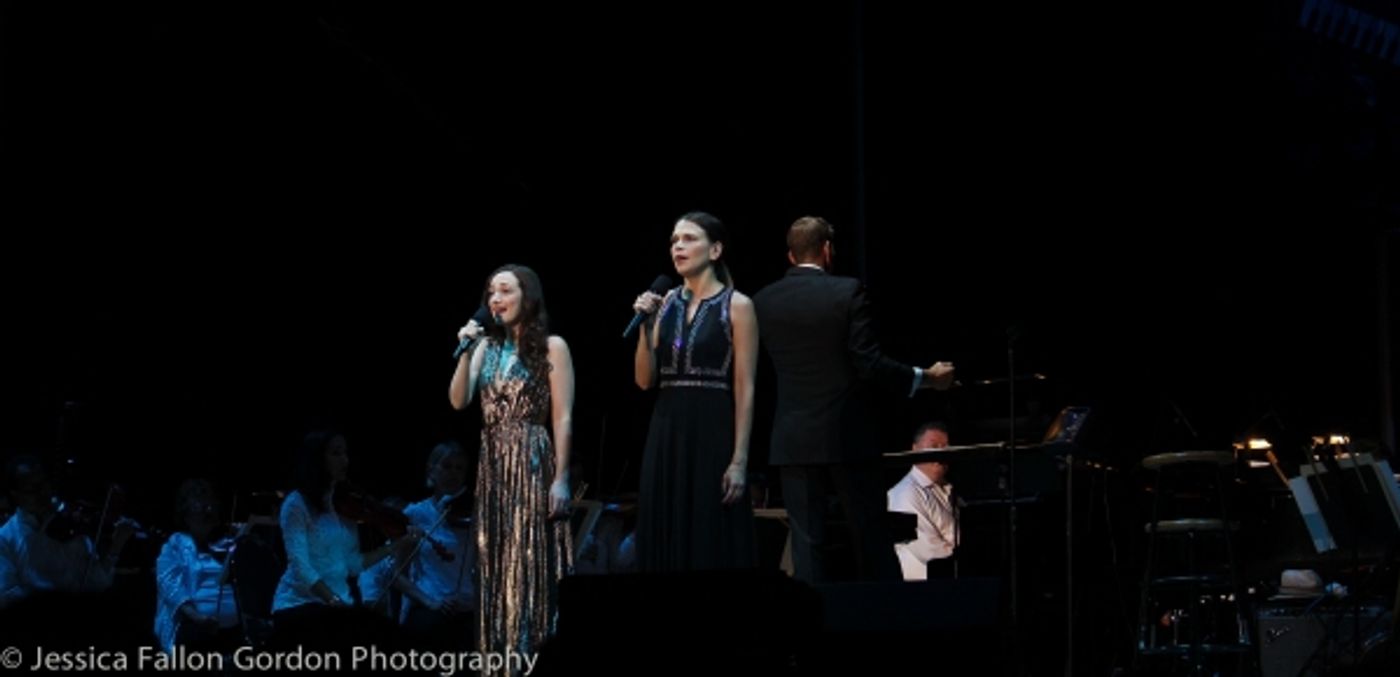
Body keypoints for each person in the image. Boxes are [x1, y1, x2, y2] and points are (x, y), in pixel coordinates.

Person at [753, 216, 955, 583]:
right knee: (869, 535)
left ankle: (813, 630)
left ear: (790, 255)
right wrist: (926, 378)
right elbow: (870, 364)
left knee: (807, 544)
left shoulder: (762, 301)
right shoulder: (847, 292)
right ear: (828, 250)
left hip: (792, 438)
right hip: (846, 434)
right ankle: (883, 623)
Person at [450, 264, 573, 670]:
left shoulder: (552, 346)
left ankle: (532, 654)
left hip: (532, 457)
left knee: (528, 559)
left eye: (505, 291)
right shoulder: (485, 346)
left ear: (528, 297)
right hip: (493, 465)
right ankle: (496, 658)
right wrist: (466, 349)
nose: (495, 300)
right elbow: (459, 400)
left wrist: (561, 479)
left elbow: (563, 417)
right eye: (490, 293)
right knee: (496, 560)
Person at [630, 211, 757, 571]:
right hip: (667, 424)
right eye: (674, 240)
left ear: (715, 250)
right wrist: (646, 325)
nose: (678, 247)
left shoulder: (737, 305)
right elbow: (643, 380)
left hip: (711, 426)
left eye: (689, 239)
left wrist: (739, 459)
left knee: (707, 526)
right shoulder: (666, 302)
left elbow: (745, 387)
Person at [270, 430, 411, 649]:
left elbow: (353, 564)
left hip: (339, 606)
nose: (345, 460)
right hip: (298, 604)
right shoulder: (296, 504)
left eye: (345, 453)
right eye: (336, 453)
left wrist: (397, 545)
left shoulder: (345, 504)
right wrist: (333, 601)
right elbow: (300, 566)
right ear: (317, 459)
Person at [0, 454, 136, 609]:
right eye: (32, 489)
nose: (42, 494)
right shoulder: (5, 538)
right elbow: (7, 595)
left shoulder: (70, 525)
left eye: (44, 485)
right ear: (15, 494)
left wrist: (116, 547)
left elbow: (96, 583)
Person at [396, 441, 477, 651]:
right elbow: (396, 574)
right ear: (432, 470)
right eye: (447, 466)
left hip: (467, 607)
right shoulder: (415, 514)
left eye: (460, 468)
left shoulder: (474, 516)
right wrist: (430, 602)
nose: (454, 474)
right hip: (428, 605)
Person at [153, 478, 244, 653]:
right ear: (186, 515)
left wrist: (243, 537)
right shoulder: (174, 545)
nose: (207, 511)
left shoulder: (226, 543)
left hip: (234, 631)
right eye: (200, 507)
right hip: (194, 628)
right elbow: (172, 588)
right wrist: (198, 618)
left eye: (210, 506)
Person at [887, 422, 958, 580]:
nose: (939, 454)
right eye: (933, 446)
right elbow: (928, 549)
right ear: (914, 449)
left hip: (949, 578)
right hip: (926, 585)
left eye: (944, 448)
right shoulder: (905, 494)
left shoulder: (947, 488)